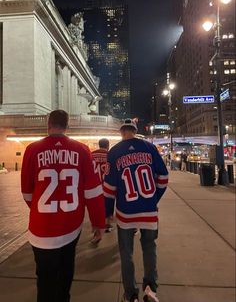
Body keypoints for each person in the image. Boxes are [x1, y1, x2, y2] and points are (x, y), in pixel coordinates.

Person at [21, 110, 105, 302]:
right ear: (67, 126)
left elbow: (27, 193)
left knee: (44, 280)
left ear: (48, 124)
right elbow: (93, 192)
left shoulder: (32, 150)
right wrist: (98, 223)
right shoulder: (82, 150)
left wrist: (40, 211)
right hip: (70, 226)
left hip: (40, 229)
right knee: (66, 273)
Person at [104, 119, 168, 302]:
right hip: (148, 211)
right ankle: (150, 290)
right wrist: (153, 199)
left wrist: (107, 212)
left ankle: (131, 294)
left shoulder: (114, 152)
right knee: (149, 248)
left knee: (126, 253)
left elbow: (109, 189)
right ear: (135, 131)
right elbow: (163, 177)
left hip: (126, 213)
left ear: (121, 132)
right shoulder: (149, 148)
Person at [92, 138, 113, 234]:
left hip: (95, 186)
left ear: (99, 145)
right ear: (108, 145)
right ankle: (108, 224)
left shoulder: (92, 154)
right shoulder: (110, 155)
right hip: (107, 185)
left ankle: (96, 227)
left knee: (96, 207)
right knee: (108, 204)